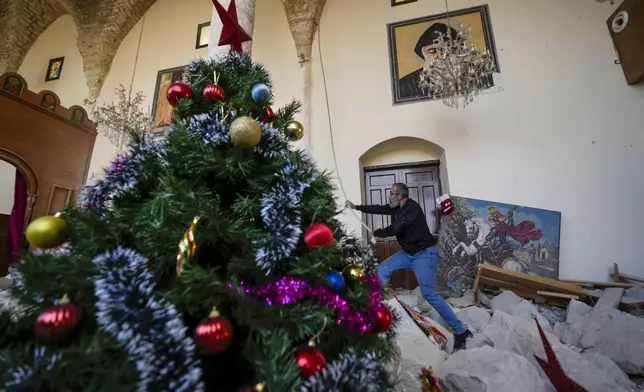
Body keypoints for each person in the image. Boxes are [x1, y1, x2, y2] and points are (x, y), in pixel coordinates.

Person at [346, 183, 472, 350]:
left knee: (429, 294)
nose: (388, 197)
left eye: (391, 194)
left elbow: (398, 226)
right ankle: (379, 307)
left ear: (399, 196)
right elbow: (379, 208)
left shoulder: (412, 209)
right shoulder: (396, 207)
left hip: (424, 254)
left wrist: (378, 233)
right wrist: (356, 207)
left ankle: (461, 331)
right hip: (408, 254)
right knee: (383, 268)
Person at [398, 22, 458, 99]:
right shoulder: (404, 85)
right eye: (432, 51)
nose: (440, 56)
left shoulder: (475, 73)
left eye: (446, 50)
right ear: (423, 54)